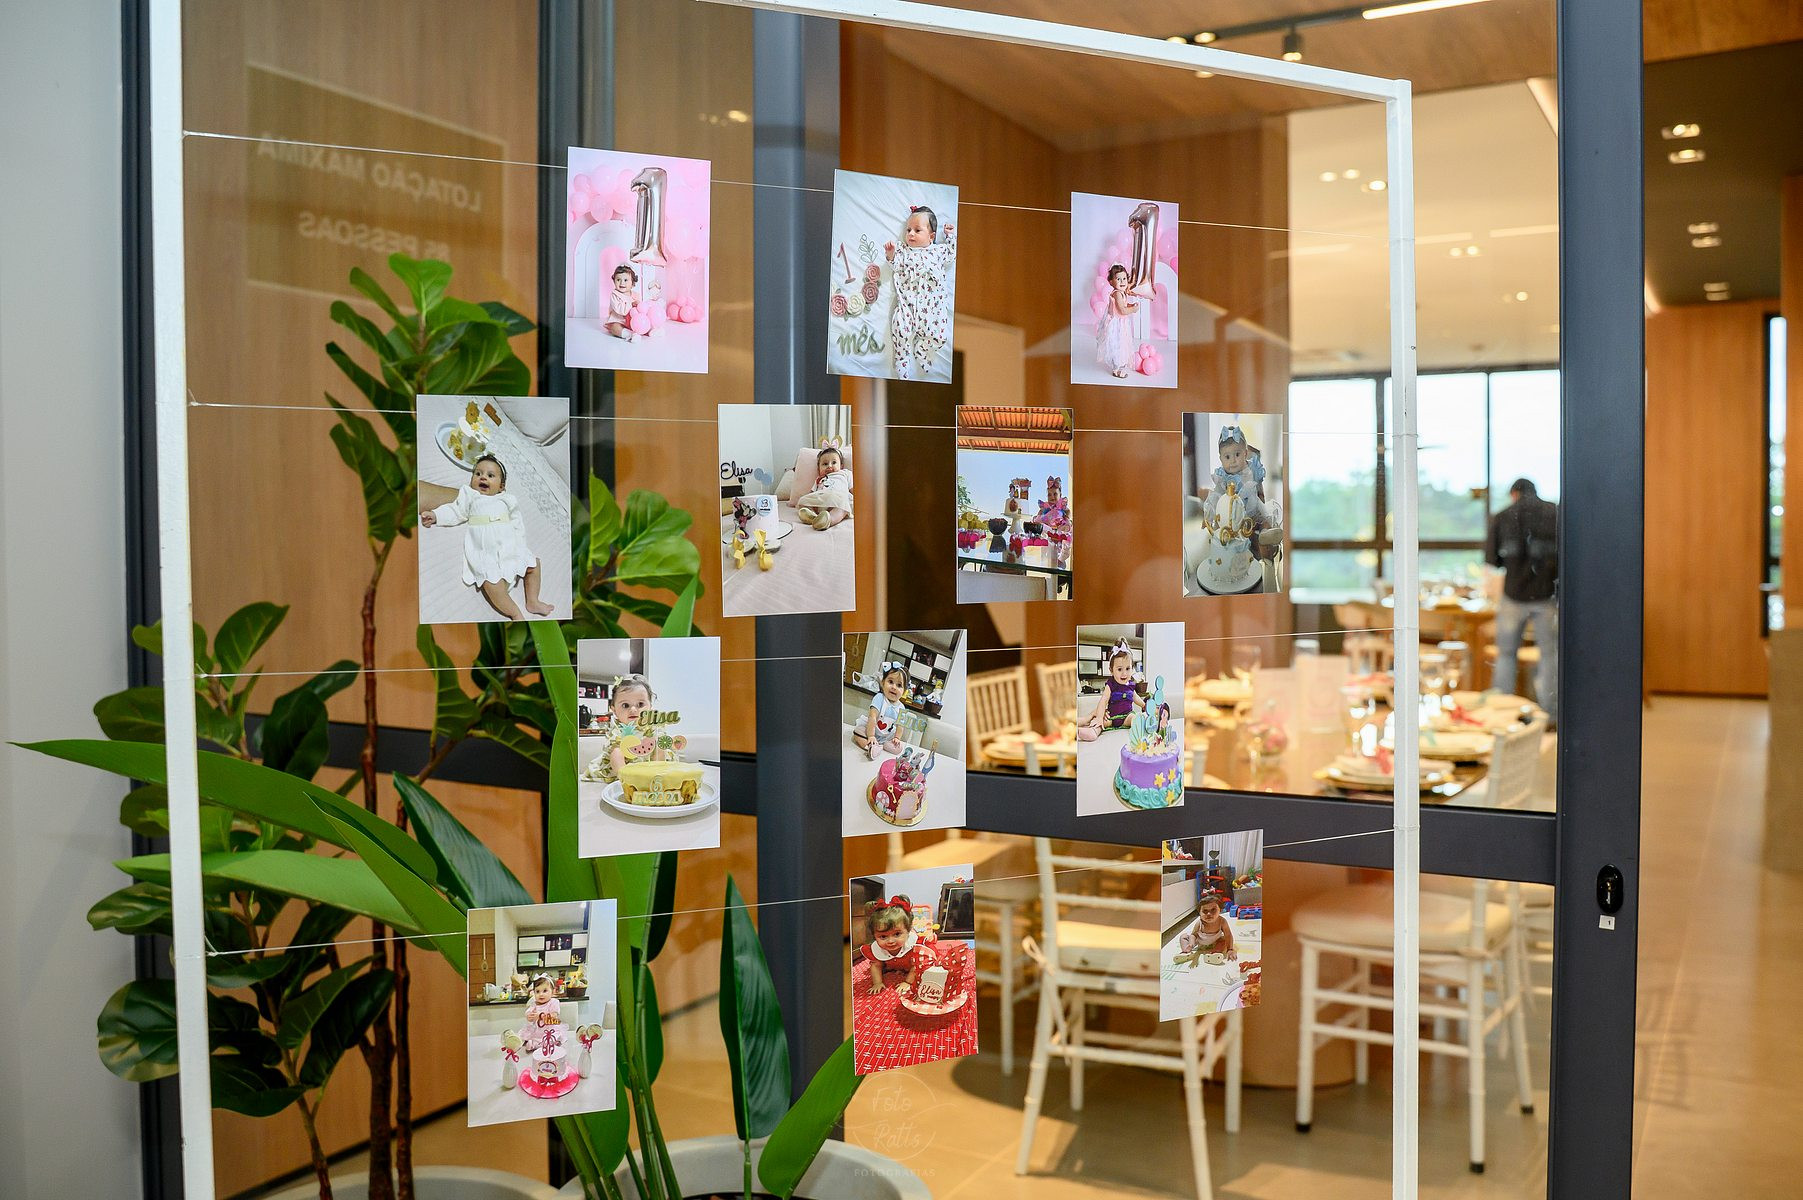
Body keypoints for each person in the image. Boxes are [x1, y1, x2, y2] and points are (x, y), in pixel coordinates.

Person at [420, 453, 555, 620]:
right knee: (490, 582)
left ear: (501, 487)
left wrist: (520, 547)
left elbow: (517, 524)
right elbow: (455, 510)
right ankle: (514, 612)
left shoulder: (507, 499)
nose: (483, 477)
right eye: (478, 473)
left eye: (490, 475)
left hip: (509, 545)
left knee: (534, 564)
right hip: (486, 549)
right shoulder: (470, 496)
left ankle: (533, 601)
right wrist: (436, 515)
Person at [1485, 477, 1559, 721]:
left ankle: (1502, 710)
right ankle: (1550, 713)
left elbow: (1493, 559)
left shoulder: (1502, 516)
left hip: (1513, 594)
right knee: (1550, 654)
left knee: (1506, 654)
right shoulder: (1555, 513)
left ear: (1514, 494)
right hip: (1546, 594)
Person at [884, 206, 956, 380]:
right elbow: (895, 266)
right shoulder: (904, 251)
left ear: (931, 236)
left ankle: (922, 348)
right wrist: (891, 254)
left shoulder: (938, 251)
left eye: (917, 230)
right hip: (907, 304)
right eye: (908, 230)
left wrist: (950, 236)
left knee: (940, 336)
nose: (910, 234)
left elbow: (951, 254)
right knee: (899, 328)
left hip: (932, 308)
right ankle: (902, 358)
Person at [858, 894, 937, 996]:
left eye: (897, 934)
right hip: (895, 965)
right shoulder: (878, 948)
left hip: (913, 965)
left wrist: (907, 982)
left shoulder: (914, 946)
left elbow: (916, 967)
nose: (890, 941)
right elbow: (876, 966)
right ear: (874, 935)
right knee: (876, 964)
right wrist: (877, 983)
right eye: (883, 936)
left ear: (908, 930)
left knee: (927, 967)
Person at [853, 659, 908, 759]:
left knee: (899, 748)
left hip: (886, 737)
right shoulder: (879, 698)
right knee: (858, 732)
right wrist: (871, 736)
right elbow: (872, 717)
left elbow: (900, 726)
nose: (894, 687)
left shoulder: (902, 708)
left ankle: (880, 746)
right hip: (870, 730)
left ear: (904, 691)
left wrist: (896, 738)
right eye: (890, 682)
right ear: (883, 683)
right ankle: (870, 747)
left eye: (899, 685)